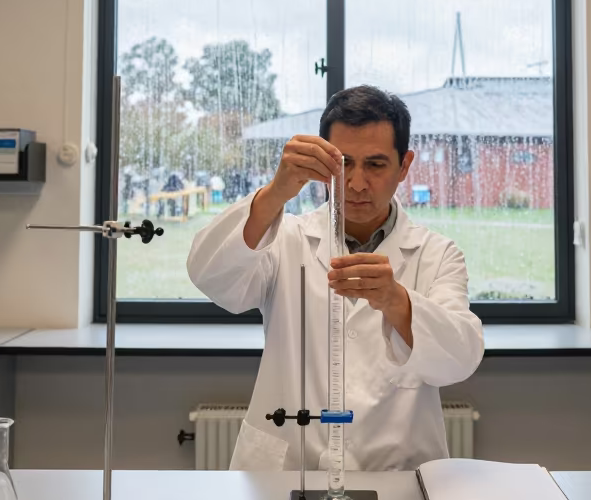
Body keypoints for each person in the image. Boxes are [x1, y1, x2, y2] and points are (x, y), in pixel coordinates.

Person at [187, 85, 484, 471]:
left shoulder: (437, 254)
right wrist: (276, 193)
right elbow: (210, 274)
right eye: (343, 164)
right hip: (290, 476)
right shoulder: (287, 239)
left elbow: (458, 361)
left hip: (397, 478)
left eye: (375, 165)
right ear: (323, 165)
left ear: (405, 165)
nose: (357, 183)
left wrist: (396, 301)